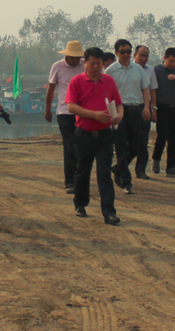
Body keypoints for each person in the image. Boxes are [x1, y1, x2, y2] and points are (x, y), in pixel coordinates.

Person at [65, 47, 123, 225]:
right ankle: (80, 203)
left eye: (99, 63)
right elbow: (71, 106)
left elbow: (118, 104)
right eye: (93, 63)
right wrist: (93, 114)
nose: (96, 66)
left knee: (104, 173)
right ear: (85, 63)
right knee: (83, 171)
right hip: (84, 135)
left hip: (105, 135)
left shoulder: (109, 81)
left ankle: (109, 212)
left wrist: (119, 115)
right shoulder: (76, 81)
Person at [103, 39, 151, 194]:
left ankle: (118, 168)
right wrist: (110, 113)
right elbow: (105, 93)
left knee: (137, 145)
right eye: (123, 52)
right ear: (116, 53)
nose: (126, 54)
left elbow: (145, 88)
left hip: (136, 110)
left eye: (129, 51)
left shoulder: (138, 69)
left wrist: (147, 107)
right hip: (119, 111)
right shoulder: (110, 71)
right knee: (121, 146)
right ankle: (126, 182)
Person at [45, 41, 85, 194]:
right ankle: (70, 181)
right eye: (72, 57)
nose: (75, 60)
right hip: (65, 112)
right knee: (70, 147)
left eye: (77, 57)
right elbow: (51, 89)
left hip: (83, 112)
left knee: (82, 146)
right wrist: (48, 109)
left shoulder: (85, 66)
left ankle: (81, 178)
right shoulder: (57, 67)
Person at [152, 48, 175, 178]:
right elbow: (153, 90)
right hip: (161, 107)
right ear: (165, 58)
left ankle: (171, 167)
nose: (173, 64)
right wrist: (153, 108)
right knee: (162, 135)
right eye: (171, 61)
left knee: (174, 137)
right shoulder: (156, 70)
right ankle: (156, 158)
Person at [133, 45, 159, 179]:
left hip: (145, 106)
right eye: (141, 55)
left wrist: (153, 108)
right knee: (130, 141)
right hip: (131, 106)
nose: (144, 58)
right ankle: (121, 167)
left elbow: (153, 89)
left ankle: (141, 170)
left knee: (143, 140)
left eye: (146, 55)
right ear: (135, 55)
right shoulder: (129, 69)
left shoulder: (150, 70)